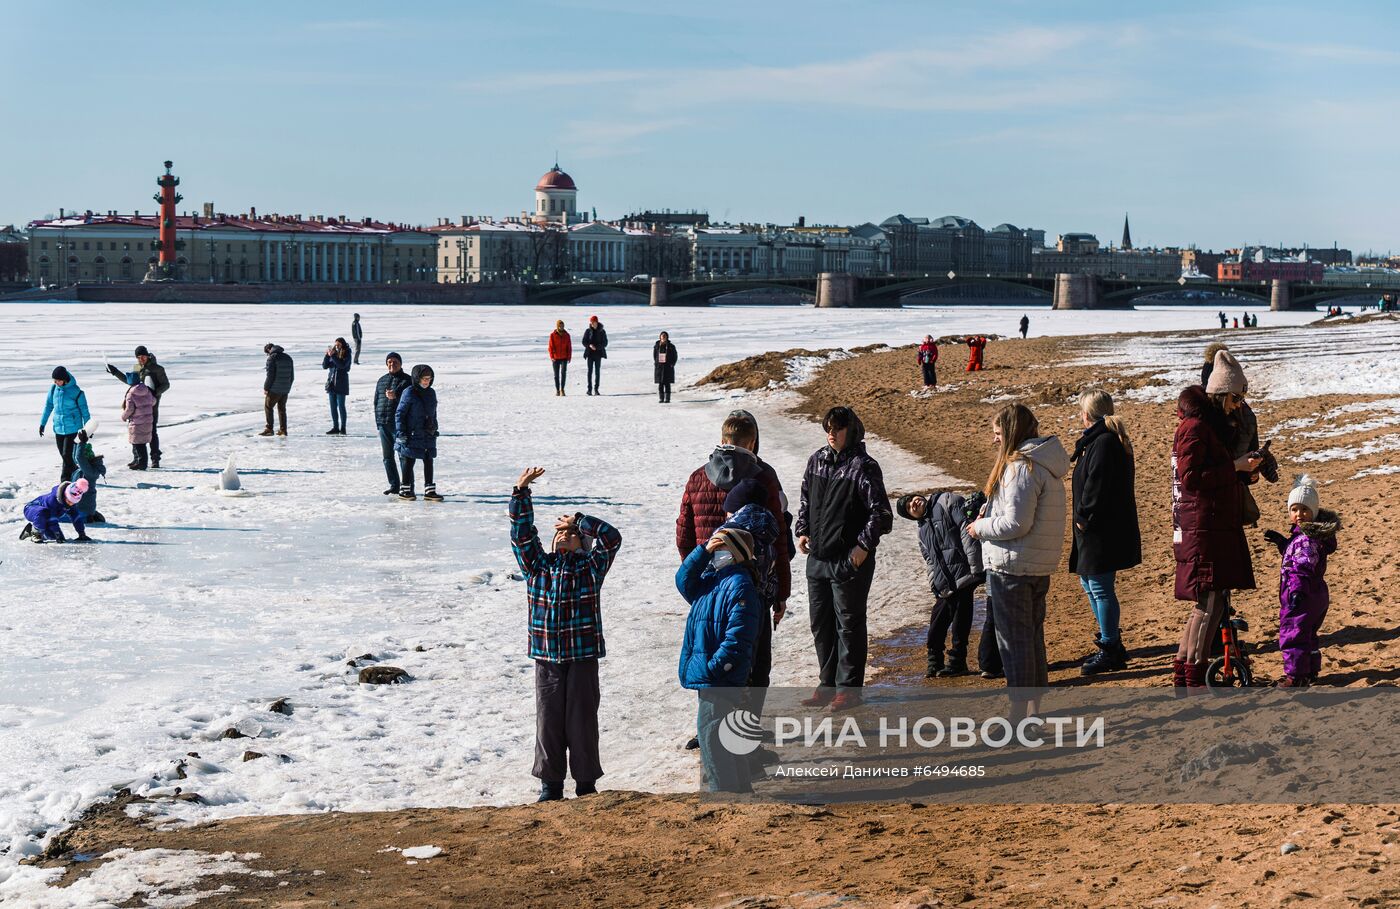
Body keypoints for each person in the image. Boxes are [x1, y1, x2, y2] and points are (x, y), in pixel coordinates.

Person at [510, 466, 623, 802]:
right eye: (559, 533)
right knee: (548, 723)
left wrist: (578, 518)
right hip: (547, 657)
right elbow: (521, 534)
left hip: (583, 656)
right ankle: (550, 785)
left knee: (582, 721)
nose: (563, 535)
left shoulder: (591, 568)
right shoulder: (537, 566)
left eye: (570, 533)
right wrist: (521, 492)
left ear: (582, 543)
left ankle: (586, 783)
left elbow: (611, 537)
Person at [966, 404, 1068, 719]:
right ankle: (1033, 715)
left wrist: (979, 528)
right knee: (1032, 640)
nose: (995, 440)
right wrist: (990, 512)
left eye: (998, 433)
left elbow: (1016, 524)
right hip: (1034, 565)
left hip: (1013, 568)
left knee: (1015, 646)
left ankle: (1017, 717)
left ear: (1010, 432)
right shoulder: (1043, 463)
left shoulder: (1021, 467)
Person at [795, 406, 892, 711]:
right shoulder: (817, 460)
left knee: (848, 624)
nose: (831, 434)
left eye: (837, 428)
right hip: (818, 558)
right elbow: (806, 500)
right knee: (821, 624)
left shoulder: (863, 466)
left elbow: (881, 514)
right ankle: (827, 684)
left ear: (851, 431)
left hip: (849, 560)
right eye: (828, 428)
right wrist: (802, 530)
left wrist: (862, 549)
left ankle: (849, 689)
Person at [1171, 372, 1261, 692]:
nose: (1237, 406)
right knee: (1208, 604)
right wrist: (1235, 467)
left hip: (1212, 525)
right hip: (1203, 528)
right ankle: (1193, 679)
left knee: (1211, 603)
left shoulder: (1207, 426)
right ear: (1220, 394)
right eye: (1235, 399)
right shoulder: (1194, 427)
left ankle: (1184, 676)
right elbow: (1190, 477)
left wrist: (1246, 470)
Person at [677, 525, 765, 794]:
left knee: (712, 737)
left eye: (721, 548)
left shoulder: (739, 585)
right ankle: (740, 792)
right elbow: (683, 580)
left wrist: (717, 667)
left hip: (720, 676)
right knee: (726, 737)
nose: (717, 554)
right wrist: (703, 551)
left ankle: (724, 793)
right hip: (712, 674)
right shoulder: (712, 581)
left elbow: (739, 635)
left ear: (736, 553)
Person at [1068, 391, 1141, 676]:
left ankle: (1110, 647)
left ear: (1088, 415)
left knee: (1099, 587)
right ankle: (1110, 641)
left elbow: (1097, 485)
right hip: (1096, 529)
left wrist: (1084, 518)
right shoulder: (1100, 441)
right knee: (1090, 584)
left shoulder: (1103, 443)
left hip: (1100, 530)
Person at [896, 490, 983, 678]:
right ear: (911, 516)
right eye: (909, 507)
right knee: (938, 620)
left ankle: (957, 661)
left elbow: (966, 530)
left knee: (961, 618)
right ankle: (935, 661)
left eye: (912, 498)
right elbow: (929, 560)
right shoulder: (922, 530)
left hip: (964, 573)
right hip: (945, 582)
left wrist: (976, 567)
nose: (913, 503)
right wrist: (934, 584)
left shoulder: (945, 501)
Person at [1264, 479, 1339, 688]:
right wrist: (1284, 544)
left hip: (1302, 595)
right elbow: (1297, 557)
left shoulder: (1305, 539)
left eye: (1305, 510)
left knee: (1293, 635)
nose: (1299, 514)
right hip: (1316, 595)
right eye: (1294, 509)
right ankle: (1311, 670)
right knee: (1308, 635)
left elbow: (1301, 568)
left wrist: (1296, 592)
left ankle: (1296, 676)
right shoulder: (1308, 536)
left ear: (1313, 512)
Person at [106, 346, 169, 467]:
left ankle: (155, 459)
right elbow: (130, 381)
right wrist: (115, 372)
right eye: (138, 358)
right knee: (136, 431)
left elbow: (166, 385)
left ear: (148, 356)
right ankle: (137, 458)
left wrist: (153, 393)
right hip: (137, 406)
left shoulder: (158, 369)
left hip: (152, 405)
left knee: (152, 431)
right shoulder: (137, 367)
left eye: (143, 357)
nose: (141, 360)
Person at [394, 364, 441, 501]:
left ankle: (429, 491)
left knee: (428, 460)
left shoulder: (431, 393)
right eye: (424, 379)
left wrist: (434, 427)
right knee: (409, 460)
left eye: (429, 378)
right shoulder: (408, 392)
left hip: (427, 433)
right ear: (416, 378)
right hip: (412, 434)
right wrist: (401, 432)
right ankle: (405, 490)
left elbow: (433, 412)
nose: (426, 381)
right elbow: (400, 414)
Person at [40, 366, 91, 485]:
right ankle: (73, 475)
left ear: (64, 379)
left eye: (57, 380)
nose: (55, 382)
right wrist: (42, 423)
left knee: (66, 454)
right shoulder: (54, 389)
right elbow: (48, 406)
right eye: (54, 380)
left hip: (73, 428)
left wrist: (88, 430)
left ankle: (65, 479)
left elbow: (85, 411)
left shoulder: (76, 392)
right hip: (58, 428)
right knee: (64, 456)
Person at [374, 353, 413, 495]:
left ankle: (408, 486)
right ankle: (394, 485)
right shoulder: (382, 380)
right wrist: (378, 421)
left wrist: (395, 397)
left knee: (404, 456)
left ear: (401, 363)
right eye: (389, 362)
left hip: (400, 425)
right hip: (384, 423)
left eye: (395, 362)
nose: (392, 364)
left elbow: (410, 403)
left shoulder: (407, 381)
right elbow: (376, 401)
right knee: (387, 458)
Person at [20, 479, 91, 543]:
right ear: (65, 495)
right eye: (69, 501)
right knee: (43, 512)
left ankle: (29, 530)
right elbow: (52, 519)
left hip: (45, 517)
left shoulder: (71, 503)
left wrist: (81, 533)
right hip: (31, 509)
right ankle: (36, 534)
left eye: (73, 502)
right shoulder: (52, 499)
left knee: (53, 538)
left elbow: (76, 517)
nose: (71, 504)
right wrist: (57, 534)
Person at [72, 422, 106, 524]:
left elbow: (79, 457)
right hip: (79, 506)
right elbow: (76, 457)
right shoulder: (83, 469)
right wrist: (77, 442)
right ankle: (92, 514)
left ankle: (89, 517)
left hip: (82, 509)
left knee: (54, 516)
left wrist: (82, 443)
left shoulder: (90, 472)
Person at [122, 375, 157, 471]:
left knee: (138, 444)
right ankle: (137, 461)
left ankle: (142, 464)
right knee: (140, 442)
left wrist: (124, 416)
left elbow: (129, 409)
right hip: (147, 420)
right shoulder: (147, 390)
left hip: (137, 422)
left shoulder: (131, 394)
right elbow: (153, 401)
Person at [260, 343, 294, 436]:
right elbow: (292, 376)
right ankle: (283, 430)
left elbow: (270, 375)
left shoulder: (272, 358)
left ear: (269, 350)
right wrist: (287, 387)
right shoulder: (288, 357)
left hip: (274, 389)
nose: (268, 355)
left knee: (268, 407)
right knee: (282, 409)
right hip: (285, 389)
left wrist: (266, 388)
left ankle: (269, 429)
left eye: (267, 353)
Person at [322, 337, 352, 435]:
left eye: (338, 345)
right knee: (333, 407)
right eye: (336, 345)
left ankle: (343, 427)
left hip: (341, 383)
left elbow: (342, 365)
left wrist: (333, 356)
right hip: (331, 384)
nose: (337, 347)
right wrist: (327, 355)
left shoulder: (347, 353)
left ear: (343, 344)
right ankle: (335, 427)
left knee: (341, 406)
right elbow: (325, 366)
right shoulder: (334, 353)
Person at [582, 315, 608, 396]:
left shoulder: (602, 331)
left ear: (597, 322)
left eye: (594, 322)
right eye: (592, 322)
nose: (593, 324)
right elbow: (584, 341)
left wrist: (596, 347)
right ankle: (589, 389)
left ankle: (596, 389)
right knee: (589, 372)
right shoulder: (588, 331)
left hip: (598, 354)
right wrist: (589, 345)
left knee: (597, 372)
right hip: (589, 354)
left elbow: (605, 343)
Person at [549, 320, 572, 396]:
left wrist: (569, 357)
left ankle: (562, 389)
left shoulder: (567, 335)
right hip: (555, 358)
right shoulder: (553, 335)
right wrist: (552, 356)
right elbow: (550, 347)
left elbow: (569, 347)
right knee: (556, 375)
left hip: (564, 358)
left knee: (563, 373)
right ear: (557, 326)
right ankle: (557, 390)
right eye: (560, 326)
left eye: (562, 326)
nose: (561, 327)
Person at [654, 331, 678, 403]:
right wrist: (656, 363)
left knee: (667, 384)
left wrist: (672, 363)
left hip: (668, 367)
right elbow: (655, 355)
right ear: (660, 337)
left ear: (667, 337)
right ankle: (661, 398)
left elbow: (675, 356)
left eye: (664, 336)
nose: (663, 337)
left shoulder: (671, 346)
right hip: (659, 367)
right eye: (662, 336)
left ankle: (667, 399)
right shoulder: (657, 346)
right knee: (660, 384)